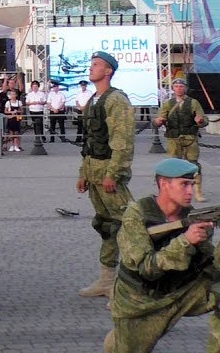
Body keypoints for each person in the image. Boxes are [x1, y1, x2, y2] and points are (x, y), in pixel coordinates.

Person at [105, 158, 220, 353]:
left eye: (192, 184)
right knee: (125, 348)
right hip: (141, 302)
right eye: (184, 184)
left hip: (181, 292)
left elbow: (213, 272)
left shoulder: (194, 217)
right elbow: (147, 269)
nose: (190, 192)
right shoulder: (136, 215)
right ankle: (120, 338)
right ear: (164, 184)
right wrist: (185, 241)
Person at [76, 51, 136, 299]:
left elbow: (122, 141)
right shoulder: (94, 100)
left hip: (108, 173)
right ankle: (107, 281)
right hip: (94, 172)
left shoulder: (116, 100)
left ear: (108, 70)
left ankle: (133, 287)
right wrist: (83, 173)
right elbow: (90, 141)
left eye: (96, 65)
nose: (91, 68)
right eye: (91, 64)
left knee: (130, 226)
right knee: (107, 226)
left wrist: (114, 172)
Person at [154, 78, 208, 201]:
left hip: (190, 137)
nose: (179, 88)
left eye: (181, 86)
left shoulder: (193, 103)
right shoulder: (168, 103)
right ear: (173, 89)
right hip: (173, 138)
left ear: (185, 88)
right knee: (173, 165)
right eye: (176, 86)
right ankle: (173, 190)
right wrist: (158, 121)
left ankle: (198, 191)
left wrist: (200, 121)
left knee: (194, 165)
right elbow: (159, 118)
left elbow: (204, 119)